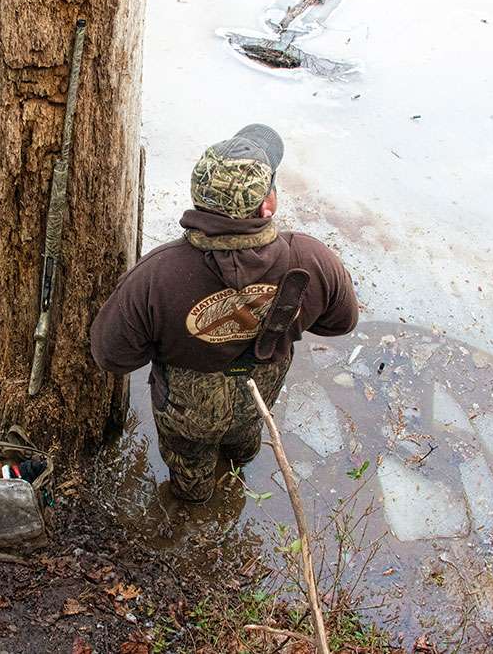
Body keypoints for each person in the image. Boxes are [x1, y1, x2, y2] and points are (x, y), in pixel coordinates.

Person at [90, 124, 359, 503]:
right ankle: (238, 470)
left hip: (187, 412)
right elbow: (341, 322)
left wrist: (182, 338)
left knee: (190, 471)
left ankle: (193, 501)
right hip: (259, 395)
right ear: (268, 204)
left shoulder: (155, 276)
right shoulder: (312, 259)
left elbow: (112, 355)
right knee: (244, 444)